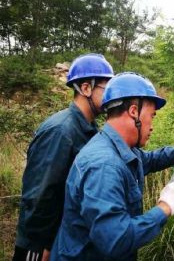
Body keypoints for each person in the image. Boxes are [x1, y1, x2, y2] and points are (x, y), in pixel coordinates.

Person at [50, 72, 174, 260]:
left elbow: (152, 159)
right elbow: (115, 241)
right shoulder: (103, 166)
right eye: (152, 116)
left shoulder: (120, 148)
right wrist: (165, 208)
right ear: (134, 111)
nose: (152, 126)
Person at [13, 54, 114, 261]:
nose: (112, 96)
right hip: (39, 244)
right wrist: (43, 244)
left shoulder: (88, 128)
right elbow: (39, 195)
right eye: (107, 88)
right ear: (86, 88)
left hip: (61, 236)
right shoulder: (61, 131)